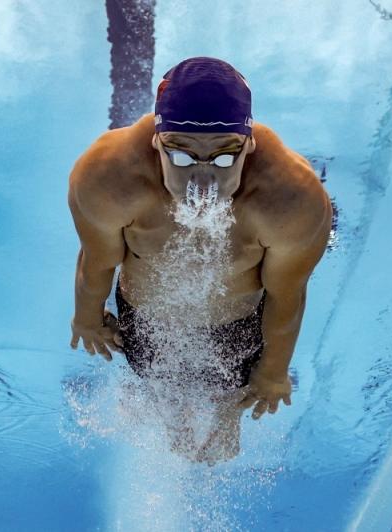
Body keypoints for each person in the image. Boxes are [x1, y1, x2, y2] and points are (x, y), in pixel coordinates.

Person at [68, 57, 332, 464]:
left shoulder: (290, 198)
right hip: (144, 323)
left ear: (249, 145)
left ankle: (225, 411)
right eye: (183, 157)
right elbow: (97, 262)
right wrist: (87, 317)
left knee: (223, 439)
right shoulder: (108, 176)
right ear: (157, 142)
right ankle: (160, 403)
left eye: (225, 158)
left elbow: (287, 296)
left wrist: (274, 370)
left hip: (238, 330)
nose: (203, 179)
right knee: (165, 412)